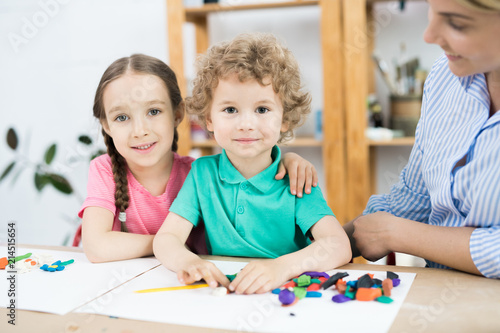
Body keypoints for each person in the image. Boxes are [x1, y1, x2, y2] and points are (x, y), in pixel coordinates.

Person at [153, 33, 351, 294]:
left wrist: (280, 268)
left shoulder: (296, 179)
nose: (246, 124)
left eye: (262, 110)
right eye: (230, 110)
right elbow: (166, 239)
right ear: (209, 119)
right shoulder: (201, 174)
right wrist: (189, 262)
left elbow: (339, 245)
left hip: (285, 295)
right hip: (223, 295)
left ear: (284, 120)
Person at [77, 54, 321, 263]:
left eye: (154, 111)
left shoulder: (200, 173)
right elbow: (97, 247)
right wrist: (167, 244)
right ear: (106, 125)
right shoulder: (104, 170)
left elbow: (248, 163)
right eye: (121, 117)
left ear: (178, 114)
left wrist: (287, 160)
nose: (139, 130)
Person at [344, 0, 500, 279]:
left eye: (456, 23)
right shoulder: (444, 76)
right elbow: (415, 195)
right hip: (436, 295)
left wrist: (397, 234)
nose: (429, 36)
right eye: (432, 8)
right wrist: (325, 242)